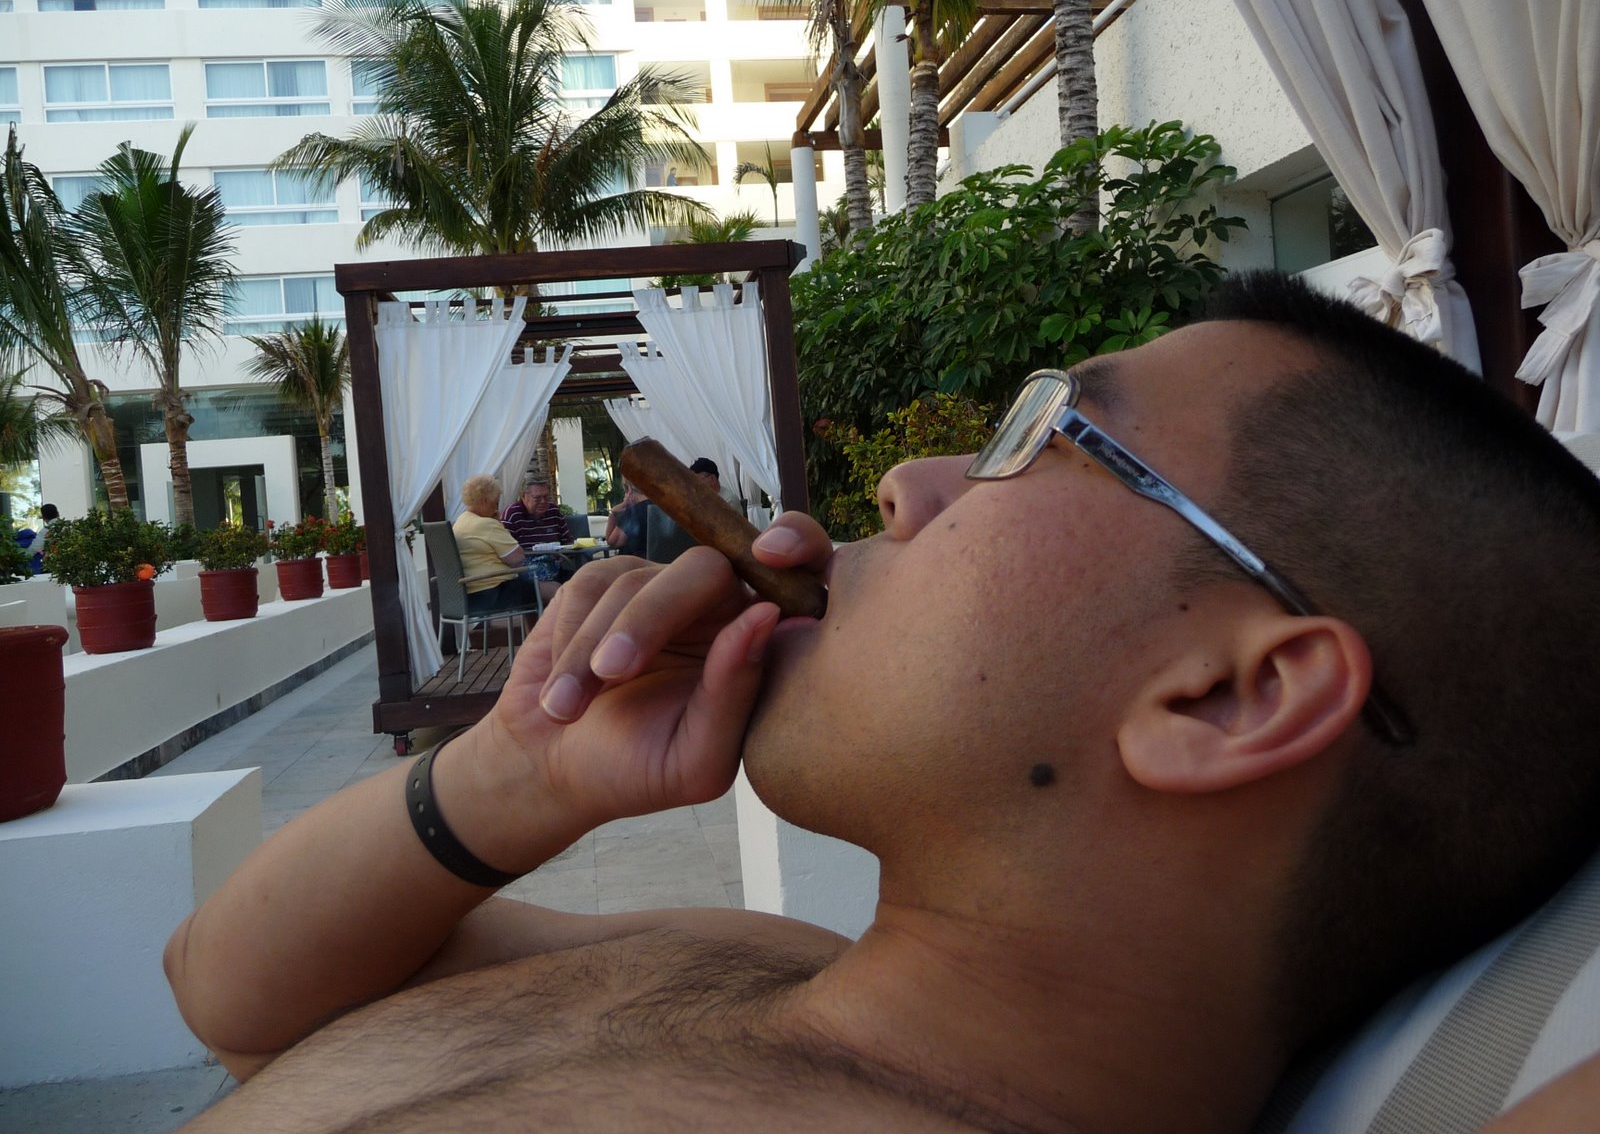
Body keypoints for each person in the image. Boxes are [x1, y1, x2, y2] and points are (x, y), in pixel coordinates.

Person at [163, 272, 1600, 1133]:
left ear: (1230, 695)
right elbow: (231, 994)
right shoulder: (731, 959)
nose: (908, 487)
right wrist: (516, 776)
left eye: (1043, 438)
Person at [451, 474, 549, 612]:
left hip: (471, 593)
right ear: (485, 501)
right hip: (494, 592)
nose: (496, 508)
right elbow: (517, 558)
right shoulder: (486, 524)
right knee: (556, 589)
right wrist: (497, 523)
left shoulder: (461, 521)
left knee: (532, 589)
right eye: (495, 502)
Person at [500, 477, 573, 585]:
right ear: (524, 496)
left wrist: (562, 554)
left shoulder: (553, 511)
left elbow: (568, 542)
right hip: (527, 573)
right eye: (537, 498)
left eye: (546, 497)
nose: (543, 502)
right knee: (559, 589)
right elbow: (506, 551)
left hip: (555, 566)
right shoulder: (512, 514)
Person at [604, 483, 650, 557]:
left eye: (625, 492)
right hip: (662, 561)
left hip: (634, 560)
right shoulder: (663, 508)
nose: (624, 497)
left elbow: (613, 542)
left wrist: (613, 513)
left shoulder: (633, 513)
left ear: (630, 490)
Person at [30, 502, 57, 575]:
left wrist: (24, 557)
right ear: (58, 514)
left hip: (54, 564)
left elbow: (35, 548)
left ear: (44, 518)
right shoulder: (68, 527)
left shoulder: (46, 531)